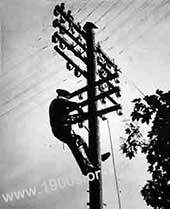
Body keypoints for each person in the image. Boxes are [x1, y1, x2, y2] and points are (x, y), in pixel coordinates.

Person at [49, 89, 110, 176]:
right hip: (61, 129)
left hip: (61, 129)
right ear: (64, 97)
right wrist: (82, 115)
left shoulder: (58, 105)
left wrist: (75, 118)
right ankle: (86, 167)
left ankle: (94, 158)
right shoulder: (58, 102)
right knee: (76, 143)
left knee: (80, 140)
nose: (67, 100)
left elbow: (65, 115)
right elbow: (76, 105)